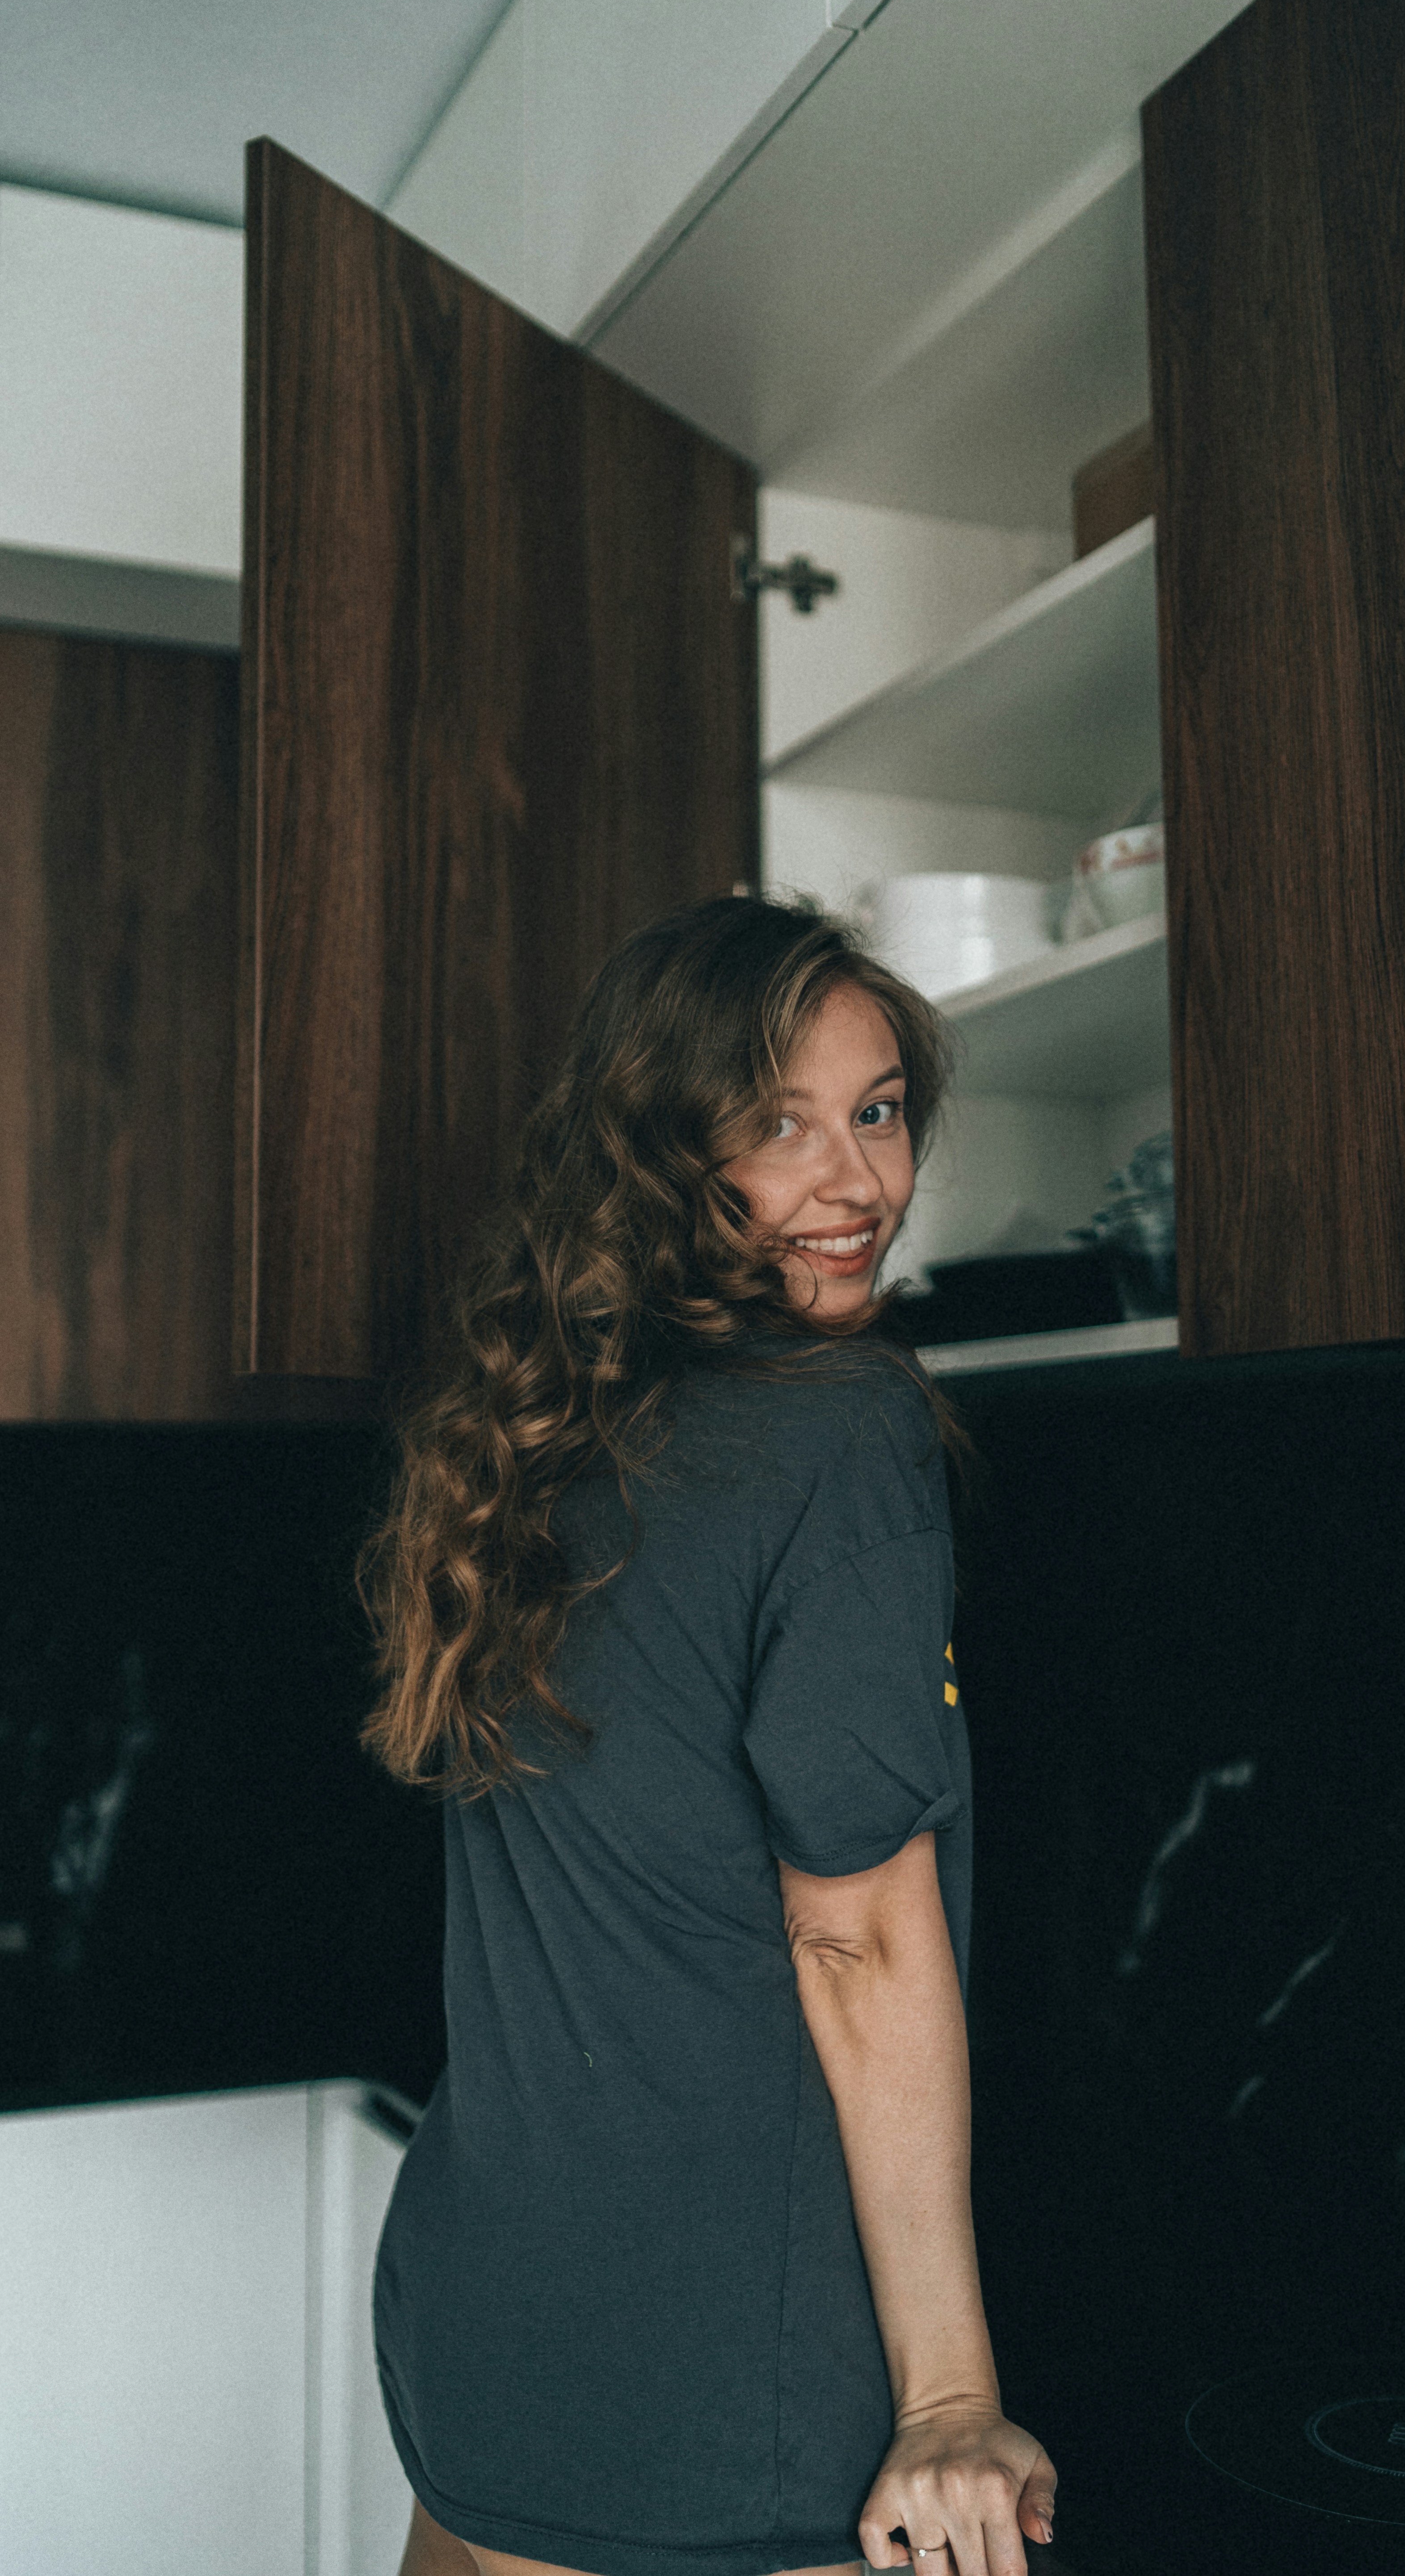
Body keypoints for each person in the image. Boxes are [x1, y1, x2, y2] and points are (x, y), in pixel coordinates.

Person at [361, 895, 1057, 2576]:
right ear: (659, 1153)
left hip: (483, 2316)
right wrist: (951, 2393)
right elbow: (861, 1937)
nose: (859, 1187)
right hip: (718, 2379)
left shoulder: (526, 1421)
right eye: (776, 1124)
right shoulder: (845, 1427)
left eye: (878, 1112)